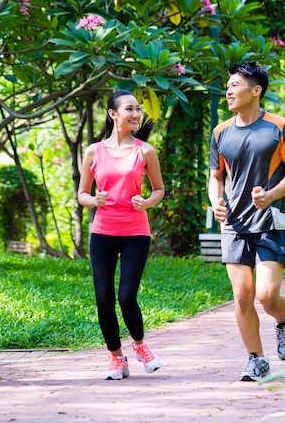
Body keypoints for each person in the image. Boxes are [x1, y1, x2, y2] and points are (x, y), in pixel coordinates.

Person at [209, 62, 285, 381]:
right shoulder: (221, 132)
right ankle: (256, 359)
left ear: (256, 91)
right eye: (228, 85)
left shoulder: (279, 126)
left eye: (235, 85)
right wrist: (215, 202)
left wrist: (272, 194)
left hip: (270, 221)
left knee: (266, 295)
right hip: (234, 225)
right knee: (242, 296)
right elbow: (215, 176)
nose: (229, 90)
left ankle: (282, 320)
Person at [78, 90, 165, 380]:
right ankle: (117, 358)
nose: (136, 114)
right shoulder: (94, 151)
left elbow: (159, 190)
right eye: (129, 109)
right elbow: (82, 195)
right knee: (103, 298)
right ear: (113, 114)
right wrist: (95, 200)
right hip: (102, 232)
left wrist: (148, 201)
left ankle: (140, 346)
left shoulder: (145, 151)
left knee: (126, 296)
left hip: (135, 233)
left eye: (137, 109)